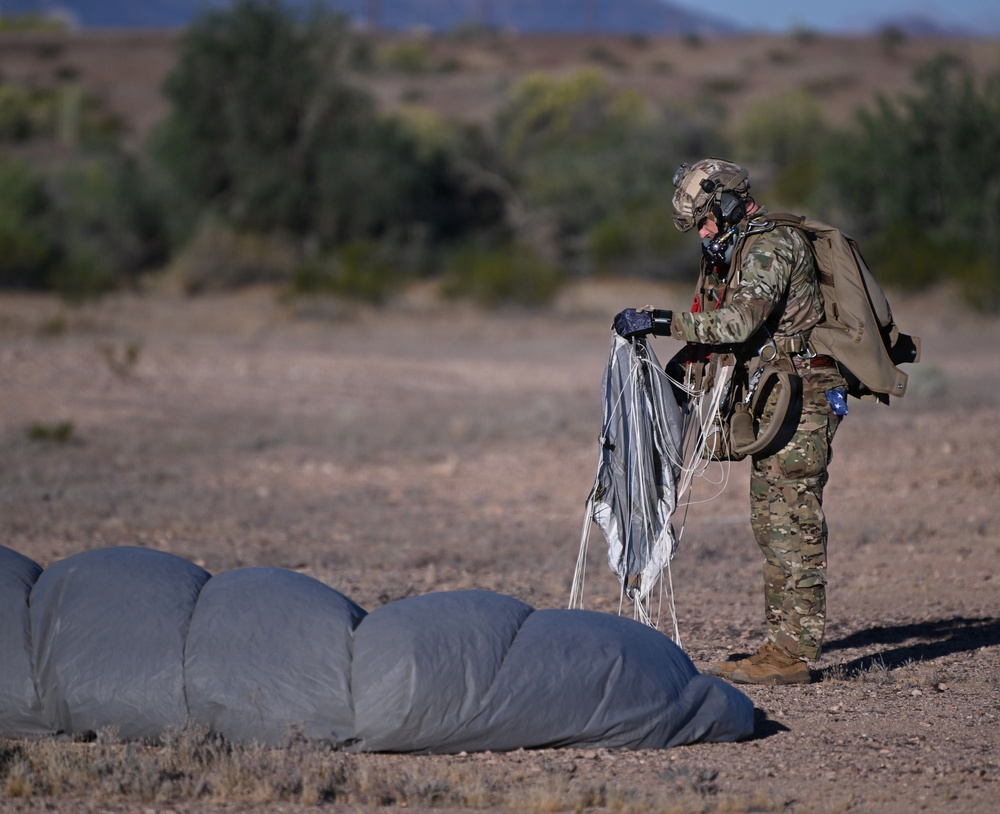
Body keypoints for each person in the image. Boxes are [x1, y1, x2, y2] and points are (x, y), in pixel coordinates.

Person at [612, 158, 850, 685]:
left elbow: (739, 322)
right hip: (776, 396)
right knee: (771, 524)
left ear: (726, 202)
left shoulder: (770, 246)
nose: (703, 231)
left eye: (704, 218)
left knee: (792, 522)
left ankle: (791, 656)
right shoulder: (734, 249)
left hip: (804, 395)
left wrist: (660, 321)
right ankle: (781, 644)